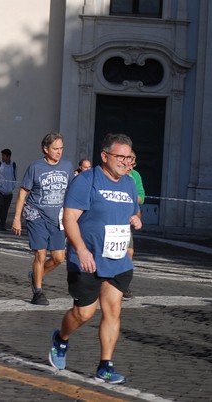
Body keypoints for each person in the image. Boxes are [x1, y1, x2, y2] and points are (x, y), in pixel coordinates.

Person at [48, 133, 142, 385]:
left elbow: (134, 210)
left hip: (118, 259)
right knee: (85, 313)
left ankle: (105, 366)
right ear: (104, 156)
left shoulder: (129, 183)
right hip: (87, 259)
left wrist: (136, 219)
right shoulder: (87, 181)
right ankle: (61, 338)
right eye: (120, 156)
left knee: (113, 310)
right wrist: (81, 249)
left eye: (129, 157)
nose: (125, 161)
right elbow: (69, 218)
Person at [11, 133, 73, 306]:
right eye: (55, 148)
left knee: (59, 258)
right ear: (46, 149)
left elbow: (72, 191)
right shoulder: (35, 167)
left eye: (61, 148)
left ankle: (36, 275)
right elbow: (23, 193)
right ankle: (38, 292)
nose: (59, 152)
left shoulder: (67, 166)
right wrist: (17, 218)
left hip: (57, 217)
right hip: (36, 214)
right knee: (40, 253)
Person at [123, 150, 145, 300]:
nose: (130, 163)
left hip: (127, 219)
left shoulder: (135, 176)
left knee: (129, 252)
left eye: (133, 160)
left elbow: (141, 197)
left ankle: (123, 284)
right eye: (128, 159)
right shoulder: (116, 173)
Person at [0, 148, 17, 230]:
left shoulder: (14, 165)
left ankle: (2, 224)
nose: (2, 157)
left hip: (8, 191)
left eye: (4, 156)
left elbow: (14, 176)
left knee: (5, 208)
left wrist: (12, 186)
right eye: (2, 155)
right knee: (0, 205)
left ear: (8, 156)